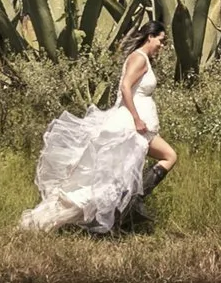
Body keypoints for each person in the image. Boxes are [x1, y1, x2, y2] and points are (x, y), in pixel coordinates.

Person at [19, 21, 179, 235]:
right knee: (164, 157)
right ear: (150, 37)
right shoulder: (139, 58)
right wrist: (136, 118)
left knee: (119, 175)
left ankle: (125, 209)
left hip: (139, 124)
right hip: (132, 124)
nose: (162, 45)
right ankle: (130, 206)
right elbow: (125, 87)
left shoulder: (142, 59)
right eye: (161, 40)